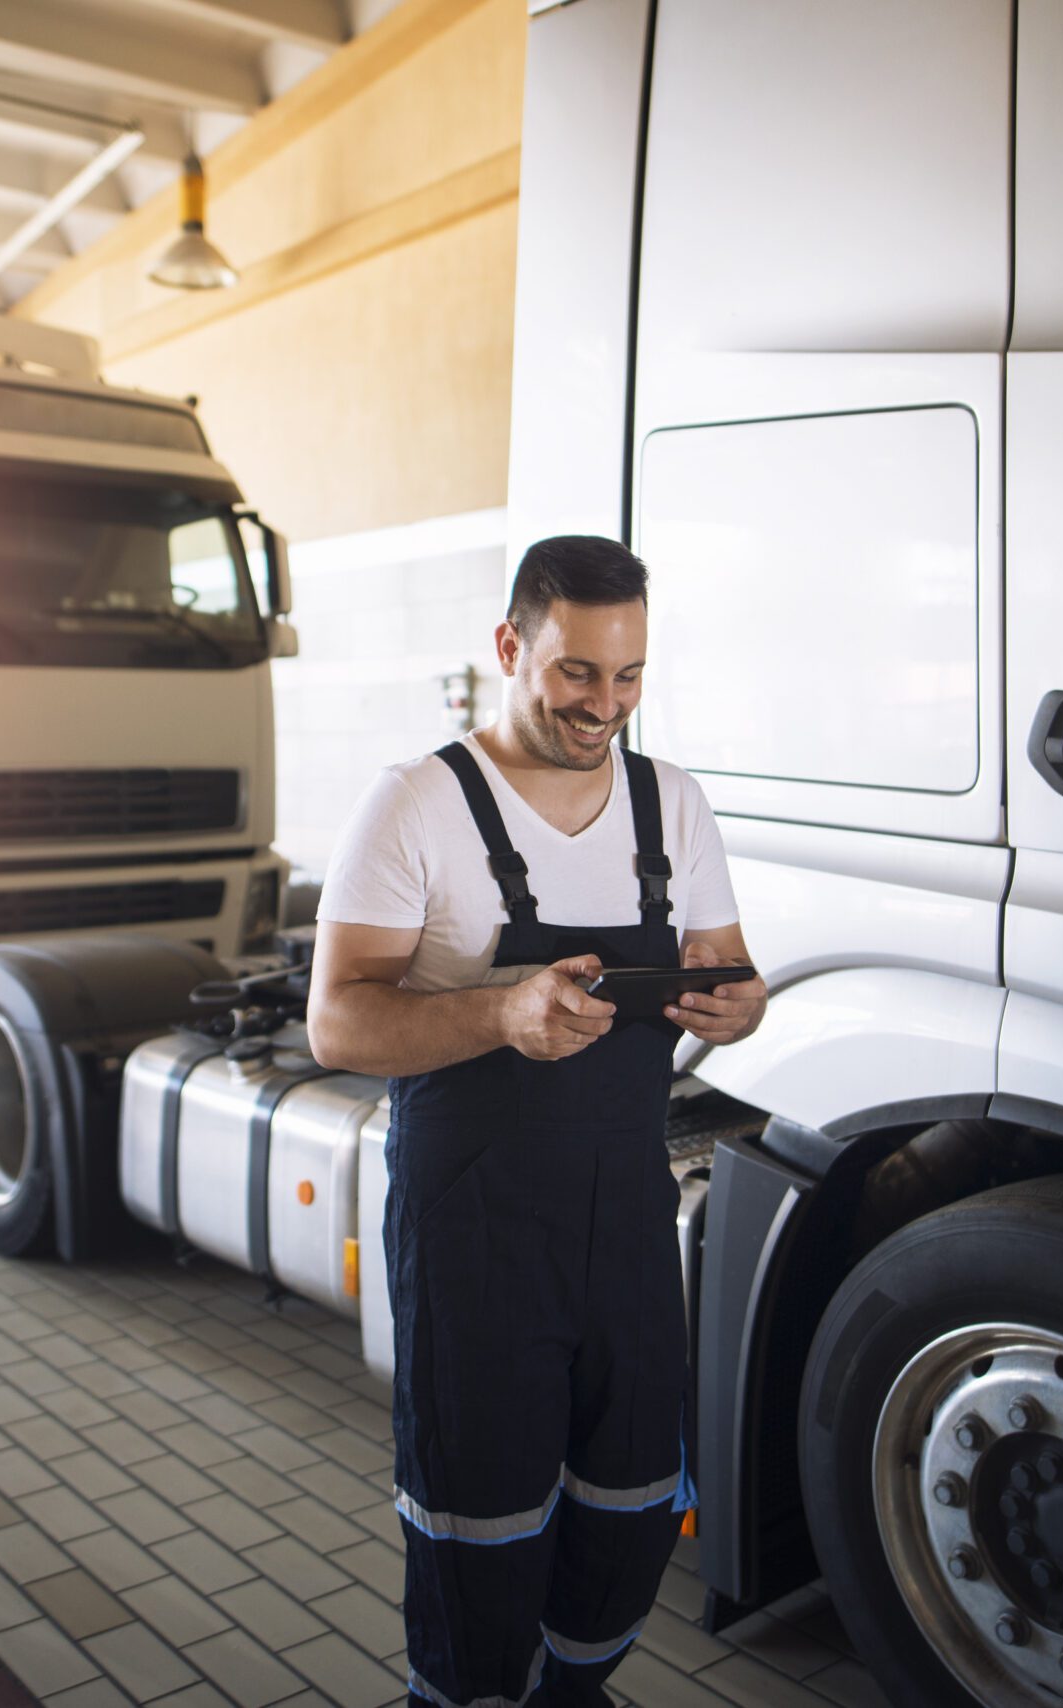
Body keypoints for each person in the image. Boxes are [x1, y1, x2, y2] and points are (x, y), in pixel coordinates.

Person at [309, 534, 765, 1708]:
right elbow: (339, 1026)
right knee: (481, 1519)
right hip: (476, 1225)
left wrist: (736, 1001)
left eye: (627, 677)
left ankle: (575, 1693)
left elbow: (726, 964)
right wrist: (502, 1011)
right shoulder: (418, 802)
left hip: (624, 1218)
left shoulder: (673, 802)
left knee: (629, 1498)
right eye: (576, 674)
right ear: (511, 647)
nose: (602, 706)